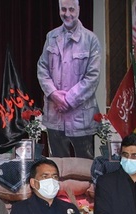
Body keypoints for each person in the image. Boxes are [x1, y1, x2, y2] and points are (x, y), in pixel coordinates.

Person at [37, 0, 101, 159]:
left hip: (81, 118)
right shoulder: (51, 36)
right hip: (55, 116)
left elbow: (92, 77)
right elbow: (42, 68)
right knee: (57, 166)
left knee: (84, 167)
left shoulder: (91, 39)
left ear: (79, 9)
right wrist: (53, 94)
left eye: (71, 9)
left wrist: (68, 100)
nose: (67, 14)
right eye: (63, 9)